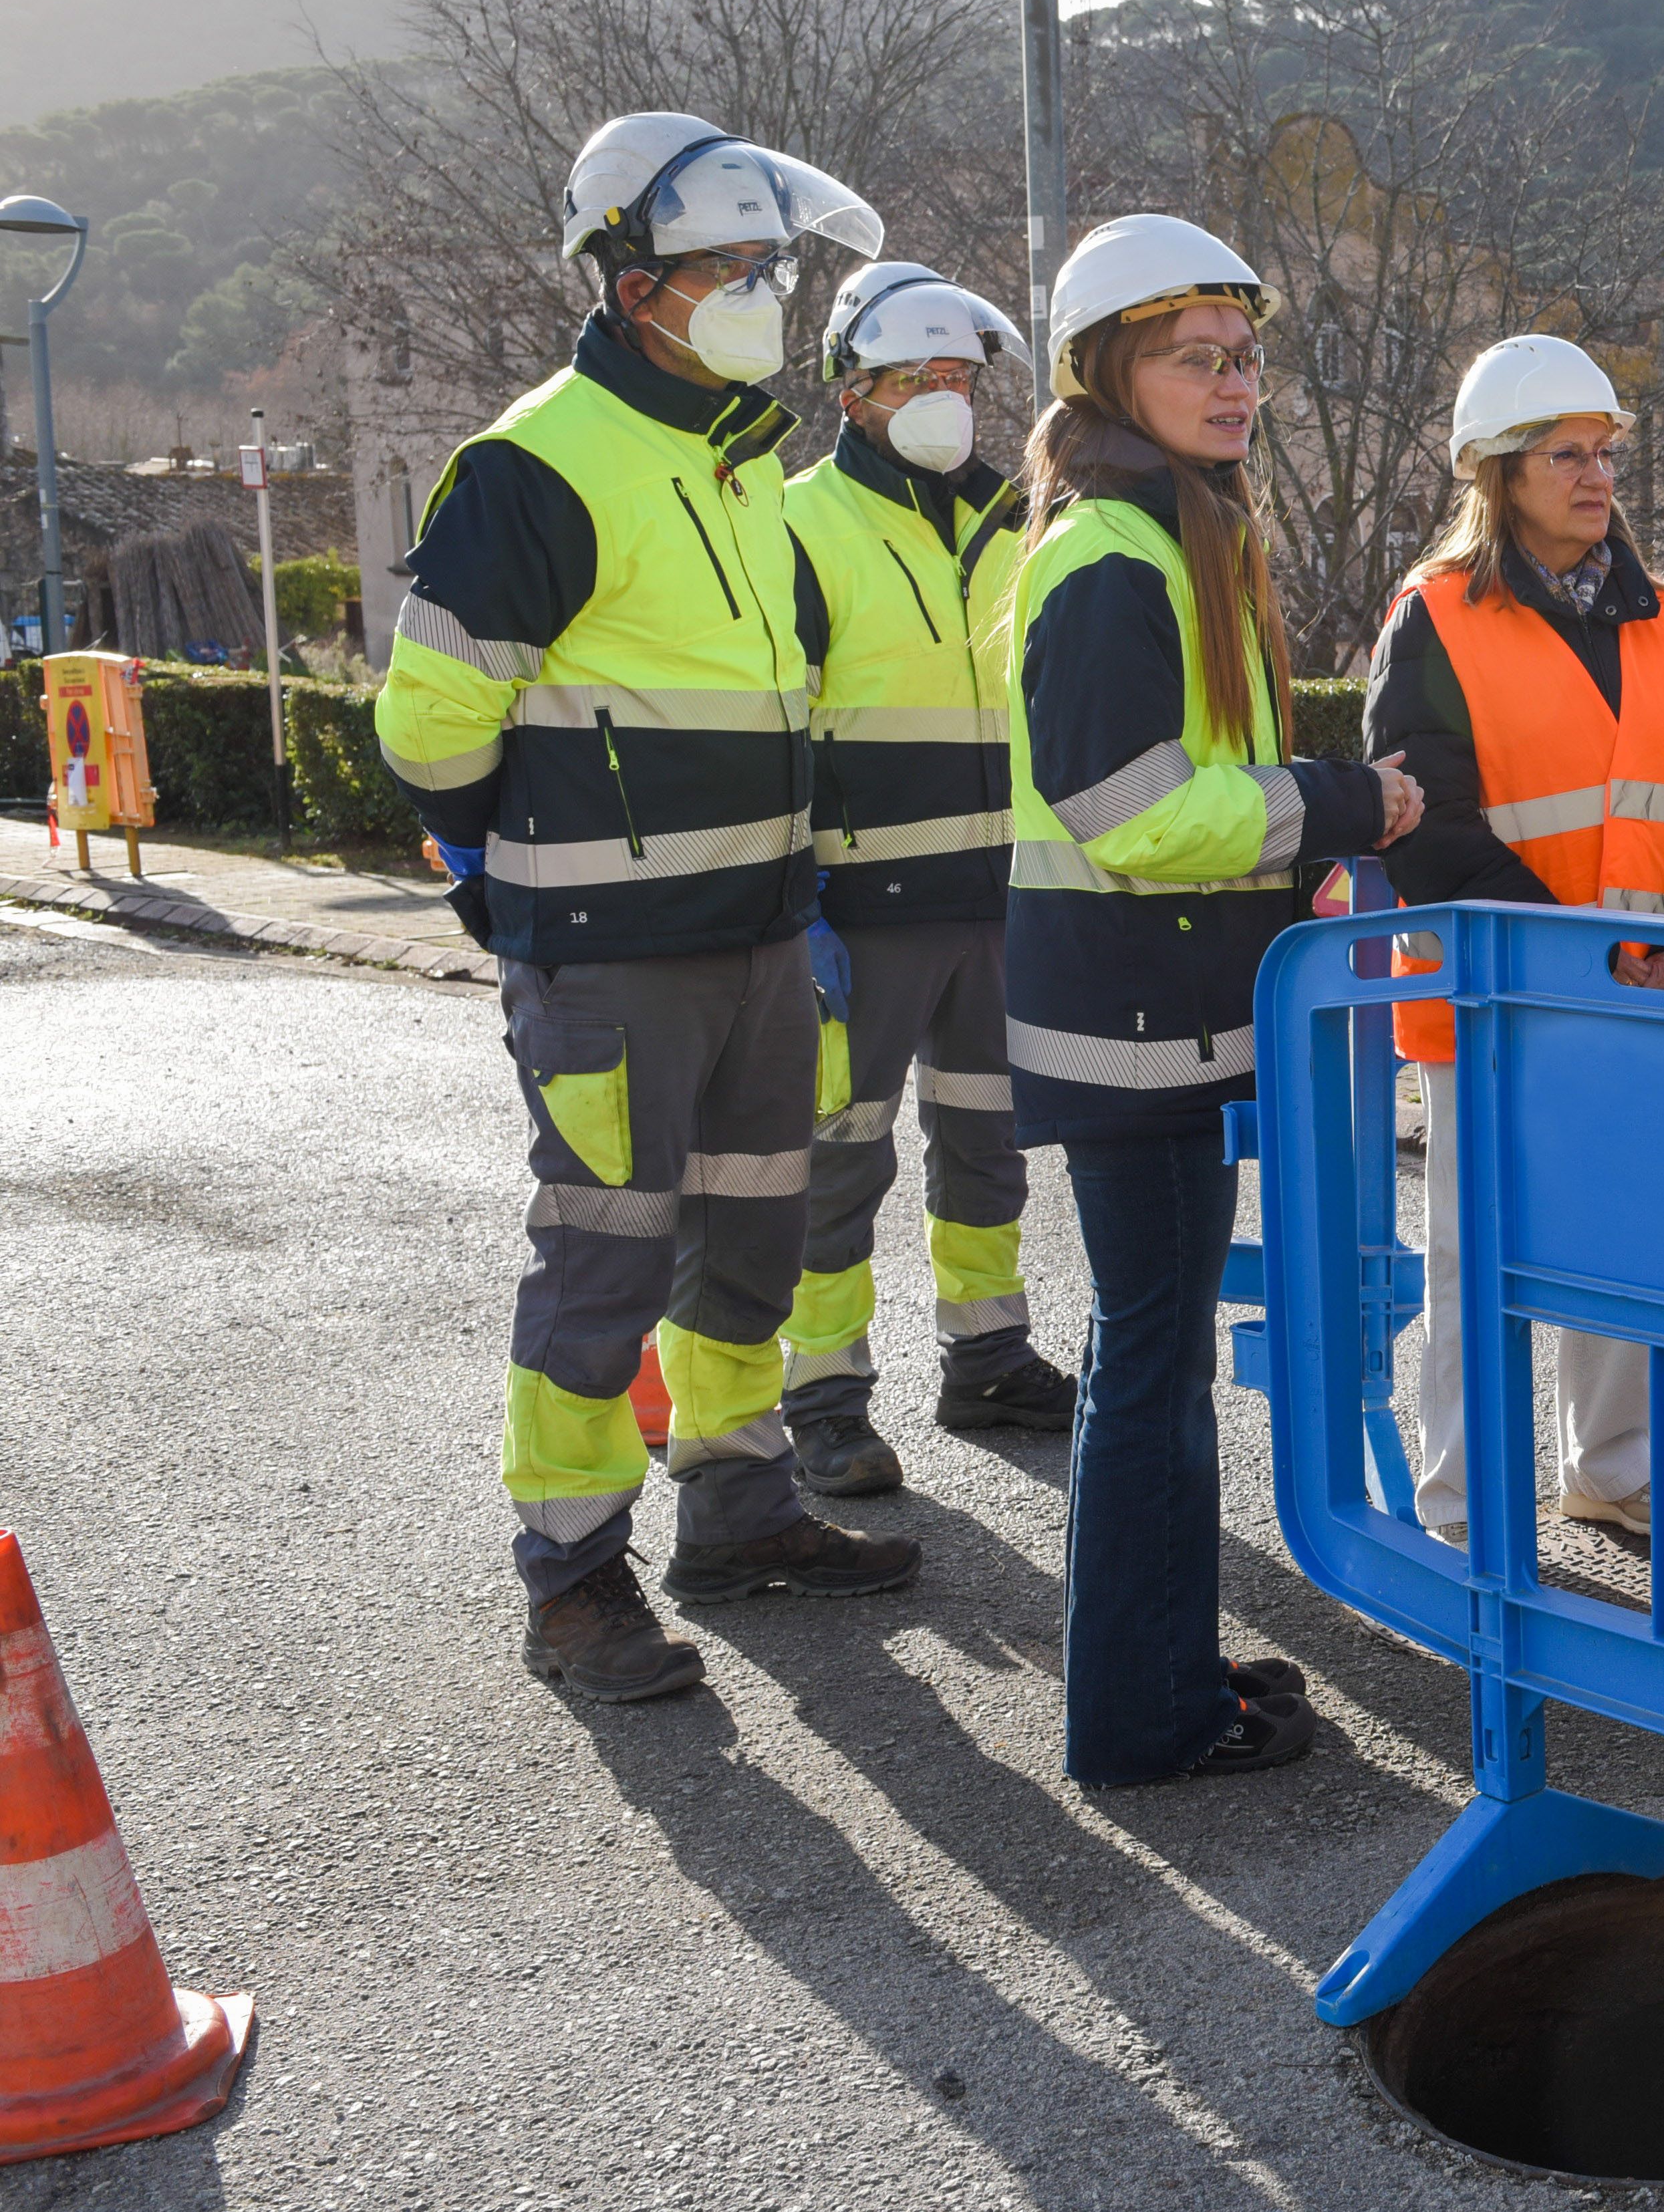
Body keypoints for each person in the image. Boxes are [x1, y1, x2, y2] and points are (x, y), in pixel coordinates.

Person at [376, 112, 919, 1703]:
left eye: (772, 266)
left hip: (758, 943)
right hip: (611, 958)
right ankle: (571, 1580)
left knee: (752, 1240)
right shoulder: (534, 464)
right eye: (731, 268)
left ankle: (739, 1514)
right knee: (603, 1268)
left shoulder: (739, 462)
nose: (764, 292)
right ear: (632, 287)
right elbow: (429, 721)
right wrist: (489, 867)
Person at [1006, 213, 1420, 1783]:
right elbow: (1134, 814)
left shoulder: (1162, 532)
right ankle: (1140, 1716)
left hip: (1152, 1015)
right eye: (1195, 358)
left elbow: (1185, 793)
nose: (1235, 383)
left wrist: (1288, 842)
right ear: (1109, 373)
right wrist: (1337, 802)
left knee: (1149, 1362)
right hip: (1133, 1029)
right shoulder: (1112, 559)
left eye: (1245, 358)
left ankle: (1159, 1669)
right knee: (1151, 1374)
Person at [1364, 334, 1664, 1543]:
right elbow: (1424, 823)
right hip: (1500, 998)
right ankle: (1463, 1505)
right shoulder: (1434, 618)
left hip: (1648, 993)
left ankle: (1613, 1473)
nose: (1598, 477)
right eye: (1566, 456)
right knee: (1476, 1260)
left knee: (1631, 1246)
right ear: (1498, 471)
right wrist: (1579, 957)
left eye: (1605, 454)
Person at [775, 263, 1079, 1500]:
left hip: (1003, 906)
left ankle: (987, 1357)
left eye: (957, 375)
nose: (941, 397)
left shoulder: (1020, 522)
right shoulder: (798, 522)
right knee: (838, 1159)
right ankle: (823, 1398)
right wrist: (790, 903)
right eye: (912, 377)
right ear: (852, 392)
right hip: (857, 915)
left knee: (988, 1143)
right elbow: (770, 726)